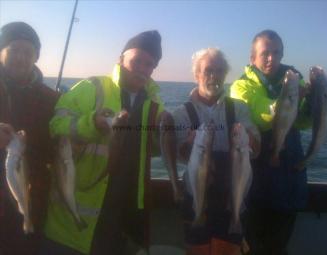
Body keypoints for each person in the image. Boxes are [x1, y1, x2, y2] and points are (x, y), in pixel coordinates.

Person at [41, 30, 164, 255]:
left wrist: (169, 137)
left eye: (149, 64)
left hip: (122, 217)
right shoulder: (92, 87)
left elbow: (153, 149)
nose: (142, 69)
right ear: (120, 59)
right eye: (136, 61)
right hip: (73, 217)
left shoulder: (154, 103)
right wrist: (92, 124)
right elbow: (56, 126)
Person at [230, 30, 312, 255]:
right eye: (265, 53)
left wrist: (311, 103)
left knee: (278, 247)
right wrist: (289, 99)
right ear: (252, 57)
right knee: (251, 247)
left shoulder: (293, 77)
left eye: (276, 53)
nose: (271, 58)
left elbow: (303, 123)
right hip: (254, 180)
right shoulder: (241, 86)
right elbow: (258, 115)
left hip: (289, 177)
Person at [171, 48, 260, 255]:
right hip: (196, 194)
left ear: (225, 75)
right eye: (208, 70)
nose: (214, 76)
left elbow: (256, 150)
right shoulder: (181, 114)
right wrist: (187, 146)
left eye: (219, 71)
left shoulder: (239, 108)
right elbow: (179, 156)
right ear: (197, 75)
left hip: (232, 197)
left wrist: (248, 138)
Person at [0, 21, 59, 255]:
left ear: (36, 57)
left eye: (29, 52)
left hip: (34, 202)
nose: (21, 58)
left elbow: (56, 146)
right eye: (14, 49)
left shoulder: (52, 99)